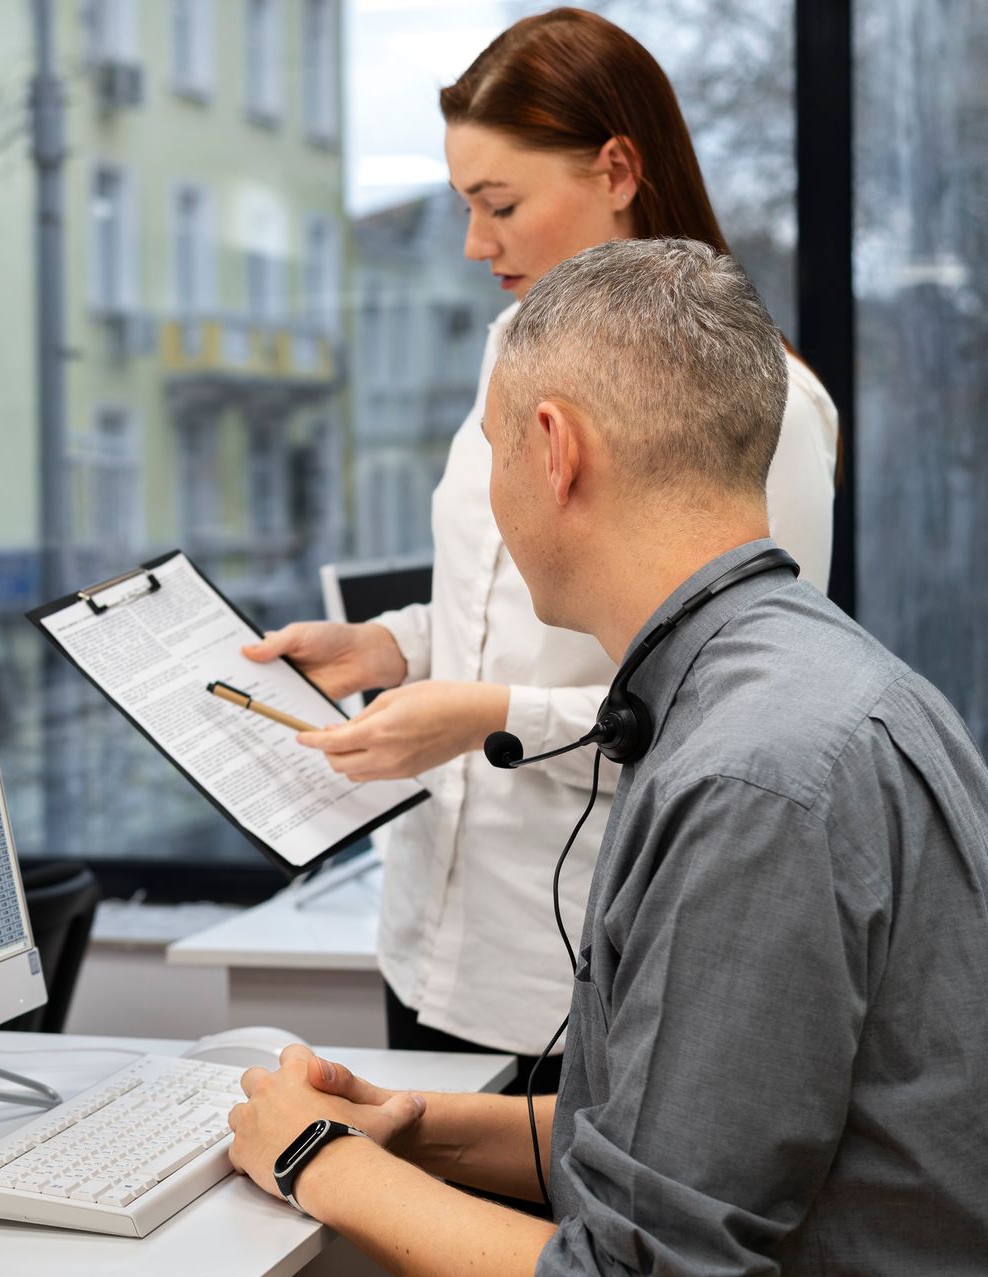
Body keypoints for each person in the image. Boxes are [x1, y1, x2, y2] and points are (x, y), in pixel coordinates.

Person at [225, 239, 988, 1273]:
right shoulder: (809, 679)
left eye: (493, 452)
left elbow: (641, 1267)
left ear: (554, 449)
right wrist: (406, 1122)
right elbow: (676, 1145)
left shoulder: (749, 779)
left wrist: (317, 1158)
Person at [243, 8, 839, 1083]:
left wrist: (488, 718)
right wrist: (394, 648)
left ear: (617, 168)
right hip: (432, 940)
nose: (476, 243)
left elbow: (749, 711)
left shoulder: (772, 410)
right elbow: (495, 608)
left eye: (500, 203)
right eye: (465, 205)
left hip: (586, 964)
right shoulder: (517, 352)